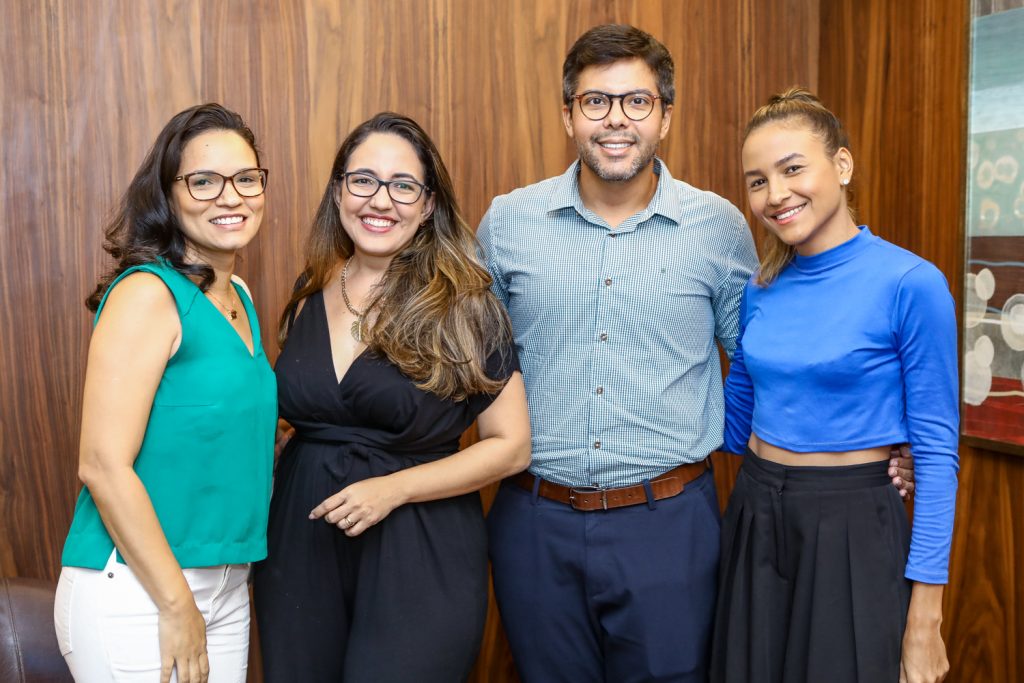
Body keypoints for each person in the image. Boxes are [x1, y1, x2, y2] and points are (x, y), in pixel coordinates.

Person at [253, 112, 530, 683]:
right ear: (338, 192)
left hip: (419, 549)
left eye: (403, 185)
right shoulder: (308, 294)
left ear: (428, 204)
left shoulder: (465, 306)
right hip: (300, 549)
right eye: (363, 181)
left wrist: (393, 490)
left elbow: (510, 447)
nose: (381, 201)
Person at [711, 88, 958, 683]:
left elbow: (937, 454)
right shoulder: (760, 288)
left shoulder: (911, 283)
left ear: (842, 166)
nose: (776, 195)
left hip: (853, 523)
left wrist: (924, 621)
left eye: (793, 169)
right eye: (757, 181)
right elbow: (732, 429)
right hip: (755, 510)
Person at [54, 103, 276, 683]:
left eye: (246, 178)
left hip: (227, 584)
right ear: (168, 194)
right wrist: (177, 603)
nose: (231, 196)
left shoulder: (241, 298)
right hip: (138, 588)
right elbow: (102, 465)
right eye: (203, 180)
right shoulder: (148, 292)